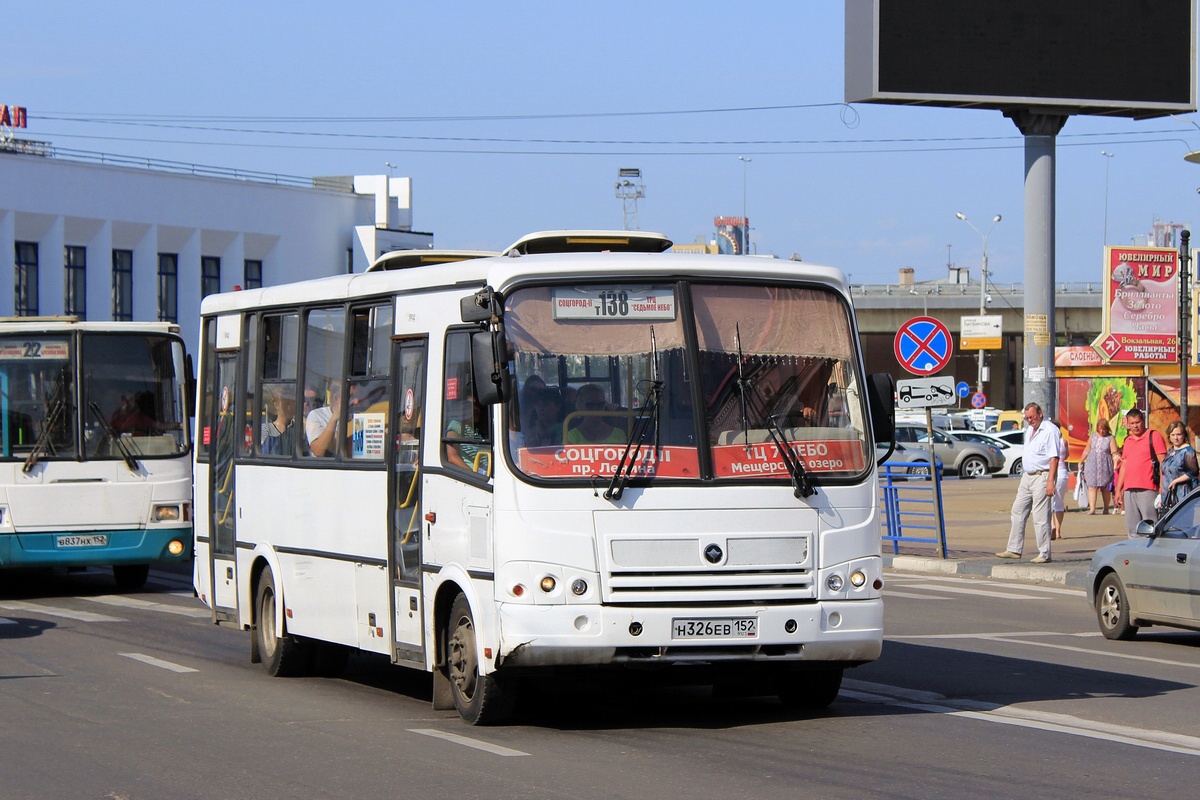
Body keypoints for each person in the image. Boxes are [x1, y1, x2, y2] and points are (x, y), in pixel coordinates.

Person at [996, 402, 1062, 564]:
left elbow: (1054, 458)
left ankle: (1044, 553)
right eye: (1027, 418)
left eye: (1032, 417)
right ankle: (1014, 549)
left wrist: (1050, 482)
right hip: (1027, 476)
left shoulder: (1050, 430)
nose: (1029, 420)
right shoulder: (1029, 430)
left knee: (1040, 516)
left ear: (1040, 413)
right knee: (1017, 510)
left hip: (1042, 476)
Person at [1114, 407, 1166, 537]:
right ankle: (1135, 552)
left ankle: (1152, 553)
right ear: (1127, 424)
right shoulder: (1128, 440)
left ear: (1143, 421)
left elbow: (1163, 463)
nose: (1135, 426)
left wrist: (1162, 487)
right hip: (1129, 489)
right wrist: (1118, 490)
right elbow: (1124, 465)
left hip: (1148, 488)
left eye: (1137, 422)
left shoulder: (1154, 436)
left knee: (1150, 525)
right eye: (1132, 423)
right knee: (1133, 527)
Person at [1079, 417, 1118, 515]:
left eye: (1104, 429)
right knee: (1092, 486)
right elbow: (1087, 450)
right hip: (1092, 465)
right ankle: (1092, 509)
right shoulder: (1092, 437)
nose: (1102, 431)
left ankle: (1106, 508)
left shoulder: (1110, 438)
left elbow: (1114, 453)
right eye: (1100, 429)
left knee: (1105, 488)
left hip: (1105, 465)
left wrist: (1115, 465)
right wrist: (1081, 461)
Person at [1158, 420, 1198, 513]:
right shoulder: (1171, 451)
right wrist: (1161, 495)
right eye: (1173, 435)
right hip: (1167, 496)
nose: (1176, 438)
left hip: (1181, 495)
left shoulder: (1188, 451)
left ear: (1184, 435)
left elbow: (1193, 472)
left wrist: (1176, 481)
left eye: (1178, 434)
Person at [306, 382, 342, 457]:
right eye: (351, 397)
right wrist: (334, 418)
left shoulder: (356, 415)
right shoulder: (316, 415)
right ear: (336, 398)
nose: (356, 401)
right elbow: (318, 451)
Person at [261, 387, 298, 456]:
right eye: (287, 404)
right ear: (276, 405)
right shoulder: (266, 428)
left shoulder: (298, 428)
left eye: (293, 404)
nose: (290, 408)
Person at [1050, 421, 1069, 540]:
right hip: (1063, 472)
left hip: (1051, 473)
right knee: (1059, 502)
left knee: (1049, 502)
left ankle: (1051, 526)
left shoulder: (1048, 442)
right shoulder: (1064, 441)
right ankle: (1058, 531)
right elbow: (1066, 456)